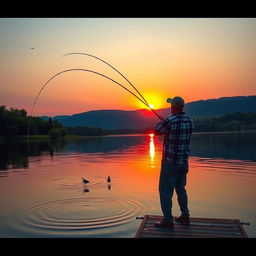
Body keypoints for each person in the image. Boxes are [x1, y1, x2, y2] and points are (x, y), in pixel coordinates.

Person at [154, 96, 193, 229]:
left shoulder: (170, 121)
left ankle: (168, 220)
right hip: (183, 162)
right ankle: (185, 216)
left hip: (170, 162)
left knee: (165, 190)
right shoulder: (189, 120)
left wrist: (164, 122)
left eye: (171, 106)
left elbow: (156, 131)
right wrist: (166, 123)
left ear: (173, 107)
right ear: (182, 107)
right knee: (181, 188)